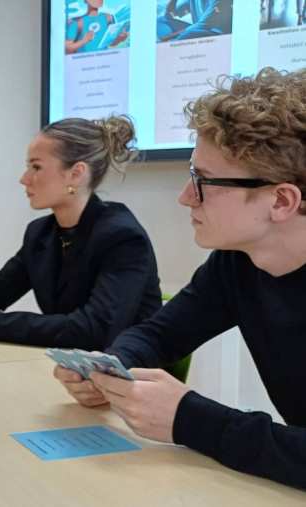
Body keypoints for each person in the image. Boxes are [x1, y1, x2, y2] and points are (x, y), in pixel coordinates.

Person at [54, 68, 306, 490]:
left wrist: (188, 419)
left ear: (281, 200)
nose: (185, 197)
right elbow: (160, 334)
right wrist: (112, 369)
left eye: (202, 182)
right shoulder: (236, 263)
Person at [0, 116, 162, 350]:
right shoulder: (40, 232)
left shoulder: (123, 237)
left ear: (76, 174)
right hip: (71, 363)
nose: (24, 179)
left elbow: (94, 330)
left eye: (36, 167)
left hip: (126, 367)